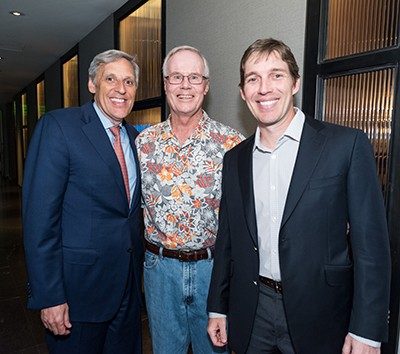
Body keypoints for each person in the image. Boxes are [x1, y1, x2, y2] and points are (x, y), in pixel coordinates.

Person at [207, 38, 391, 354]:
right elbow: (227, 240)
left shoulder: (345, 146)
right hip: (252, 311)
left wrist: (367, 331)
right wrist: (218, 307)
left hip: (322, 314)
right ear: (243, 92)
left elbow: (371, 247)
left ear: (295, 83)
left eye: (276, 75)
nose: (264, 88)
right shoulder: (234, 159)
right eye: (253, 78)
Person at [22, 49, 143, 354]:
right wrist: (49, 296)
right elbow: (40, 220)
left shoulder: (134, 137)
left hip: (127, 290)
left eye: (129, 82)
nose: (121, 89)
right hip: (78, 294)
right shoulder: (60, 127)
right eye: (111, 79)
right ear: (92, 84)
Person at [136, 45, 244, 353]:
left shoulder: (232, 144)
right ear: (165, 83)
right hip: (159, 272)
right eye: (177, 77)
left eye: (194, 77)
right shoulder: (143, 144)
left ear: (206, 86)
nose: (185, 85)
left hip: (213, 272)